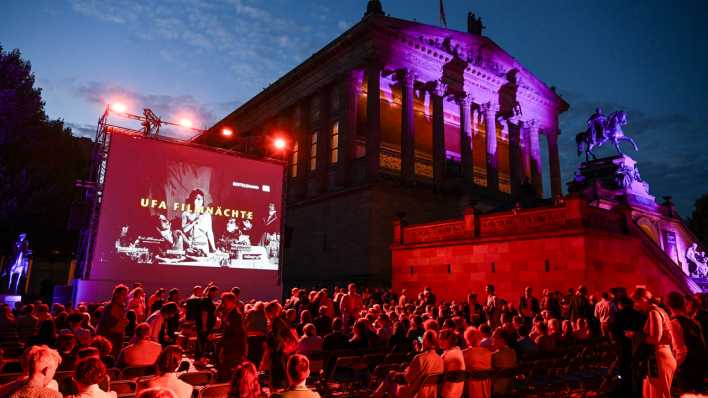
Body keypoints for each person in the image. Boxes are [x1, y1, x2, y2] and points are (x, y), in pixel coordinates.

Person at [630, 288, 676, 398]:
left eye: (636, 302)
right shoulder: (660, 310)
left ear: (642, 299)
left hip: (659, 358)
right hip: (662, 355)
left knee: (658, 394)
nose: (636, 305)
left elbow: (656, 338)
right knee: (654, 393)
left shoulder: (653, 312)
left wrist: (635, 335)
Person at [373, 330, 443, 398]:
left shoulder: (419, 358)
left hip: (414, 393)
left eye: (423, 339)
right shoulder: (440, 359)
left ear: (426, 341)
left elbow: (407, 379)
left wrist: (395, 374)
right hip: (431, 393)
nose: (422, 342)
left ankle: (375, 396)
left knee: (389, 378)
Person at [666, 291, 706, 392]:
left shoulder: (674, 322)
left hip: (687, 367)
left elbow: (682, 350)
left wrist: (673, 366)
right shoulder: (693, 321)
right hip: (699, 364)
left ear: (668, 305)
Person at [216, 292, 248, 381]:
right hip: (230, 347)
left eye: (224, 301)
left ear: (231, 302)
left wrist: (221, 341)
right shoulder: (229, 313)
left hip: (234, 349)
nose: (223, 304)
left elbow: (237, 335)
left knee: (229, 373)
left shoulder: (236, 315)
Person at [96, 284, 129, 358]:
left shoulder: (122, 307)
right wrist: (122, 323)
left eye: (126, 295)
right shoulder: (109, 308)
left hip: (118, 339)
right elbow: (107, 327)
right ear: (116, 294)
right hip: (109, 340)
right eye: (123, 294)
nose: (126, 297)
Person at [181, 188, 216, 255]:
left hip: (204, 246)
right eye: (196, 199)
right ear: (192, 200)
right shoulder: (185, 214)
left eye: (200, 199)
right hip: (191, 245)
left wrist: (214, 248)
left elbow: (209, 232)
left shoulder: (207, 215)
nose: (198, 201)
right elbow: (184, 230)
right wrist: (194, 221)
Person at [462, 327, 492, 398]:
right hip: (486, 387)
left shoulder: (465, 353)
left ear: (467, 339)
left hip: (471, 388)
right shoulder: (488, 352)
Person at [439, 329, 465, 398]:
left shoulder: (447, 355)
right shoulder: (459, 351)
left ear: (448, 340)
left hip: (447, 393)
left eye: (441, 338)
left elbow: (437, 372)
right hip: (458, 392)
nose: (438, 341)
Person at [491, 330, 517, 397]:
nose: (492, 339)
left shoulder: (495, 355)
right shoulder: (512, 352)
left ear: (501, 340)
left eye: (494, 337)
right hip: (511, 386)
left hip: (498, 389)